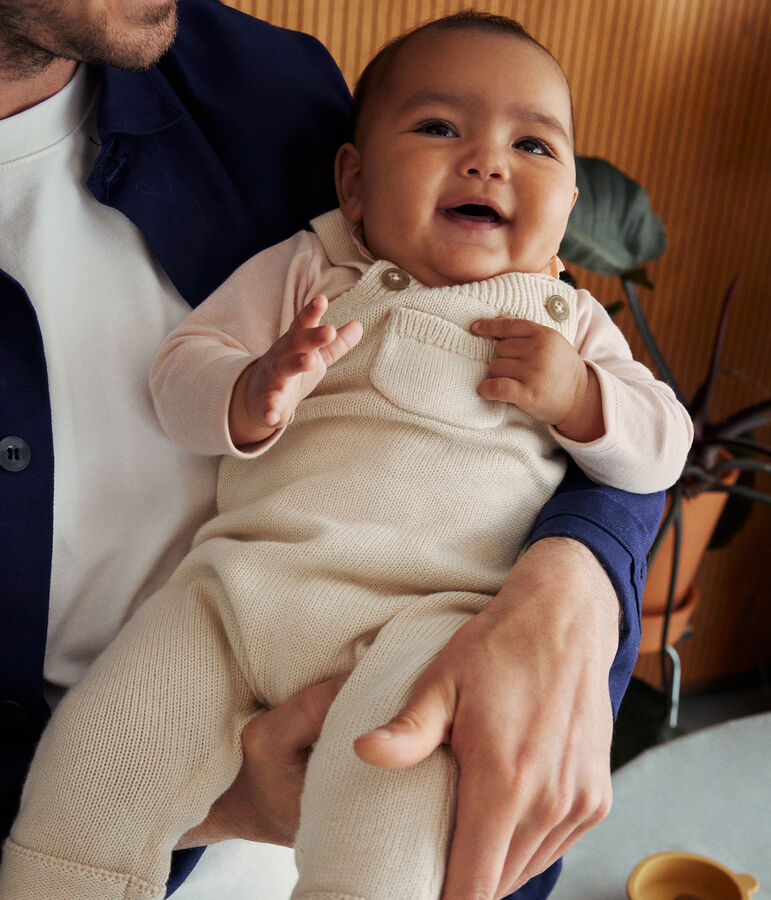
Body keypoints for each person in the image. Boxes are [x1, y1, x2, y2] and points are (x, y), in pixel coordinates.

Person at [0, 10, 692, 900]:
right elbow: (181, 374)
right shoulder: (310, 268)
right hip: (238, 593)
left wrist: (583, 404)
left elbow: (660, 449)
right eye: (439, 128)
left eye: (533, 146)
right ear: (354, 184)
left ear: (565, 212)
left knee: (391, 799)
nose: (486, 160)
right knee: (102, 751)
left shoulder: (567, 321)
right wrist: (250, 390)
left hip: (429, 622)